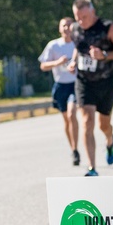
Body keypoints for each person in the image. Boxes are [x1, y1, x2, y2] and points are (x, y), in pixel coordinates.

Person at [67, 0, 113, 176]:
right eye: (77, 17)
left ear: (92, 12)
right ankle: (92, 167)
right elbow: (79, 47)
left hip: (106, 81)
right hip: (84, 82)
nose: (80, 21)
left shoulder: (108, 28)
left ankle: (110, 140)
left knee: (103, 125)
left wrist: (104, 55)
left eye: (84, 17)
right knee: (87, 121)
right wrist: (73, 61)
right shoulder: (75, 29)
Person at [38, 17, 80, 165]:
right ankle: (73, 148)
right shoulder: (53, 45)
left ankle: (76, 149)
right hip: (60, 85)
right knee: (66, 119)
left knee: (72, 113)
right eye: (64, 26)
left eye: (69, 25)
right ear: (59, 28)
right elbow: (43, 66)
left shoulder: (77, 43)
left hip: (75, 84)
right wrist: (57, 62)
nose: (66, 28)